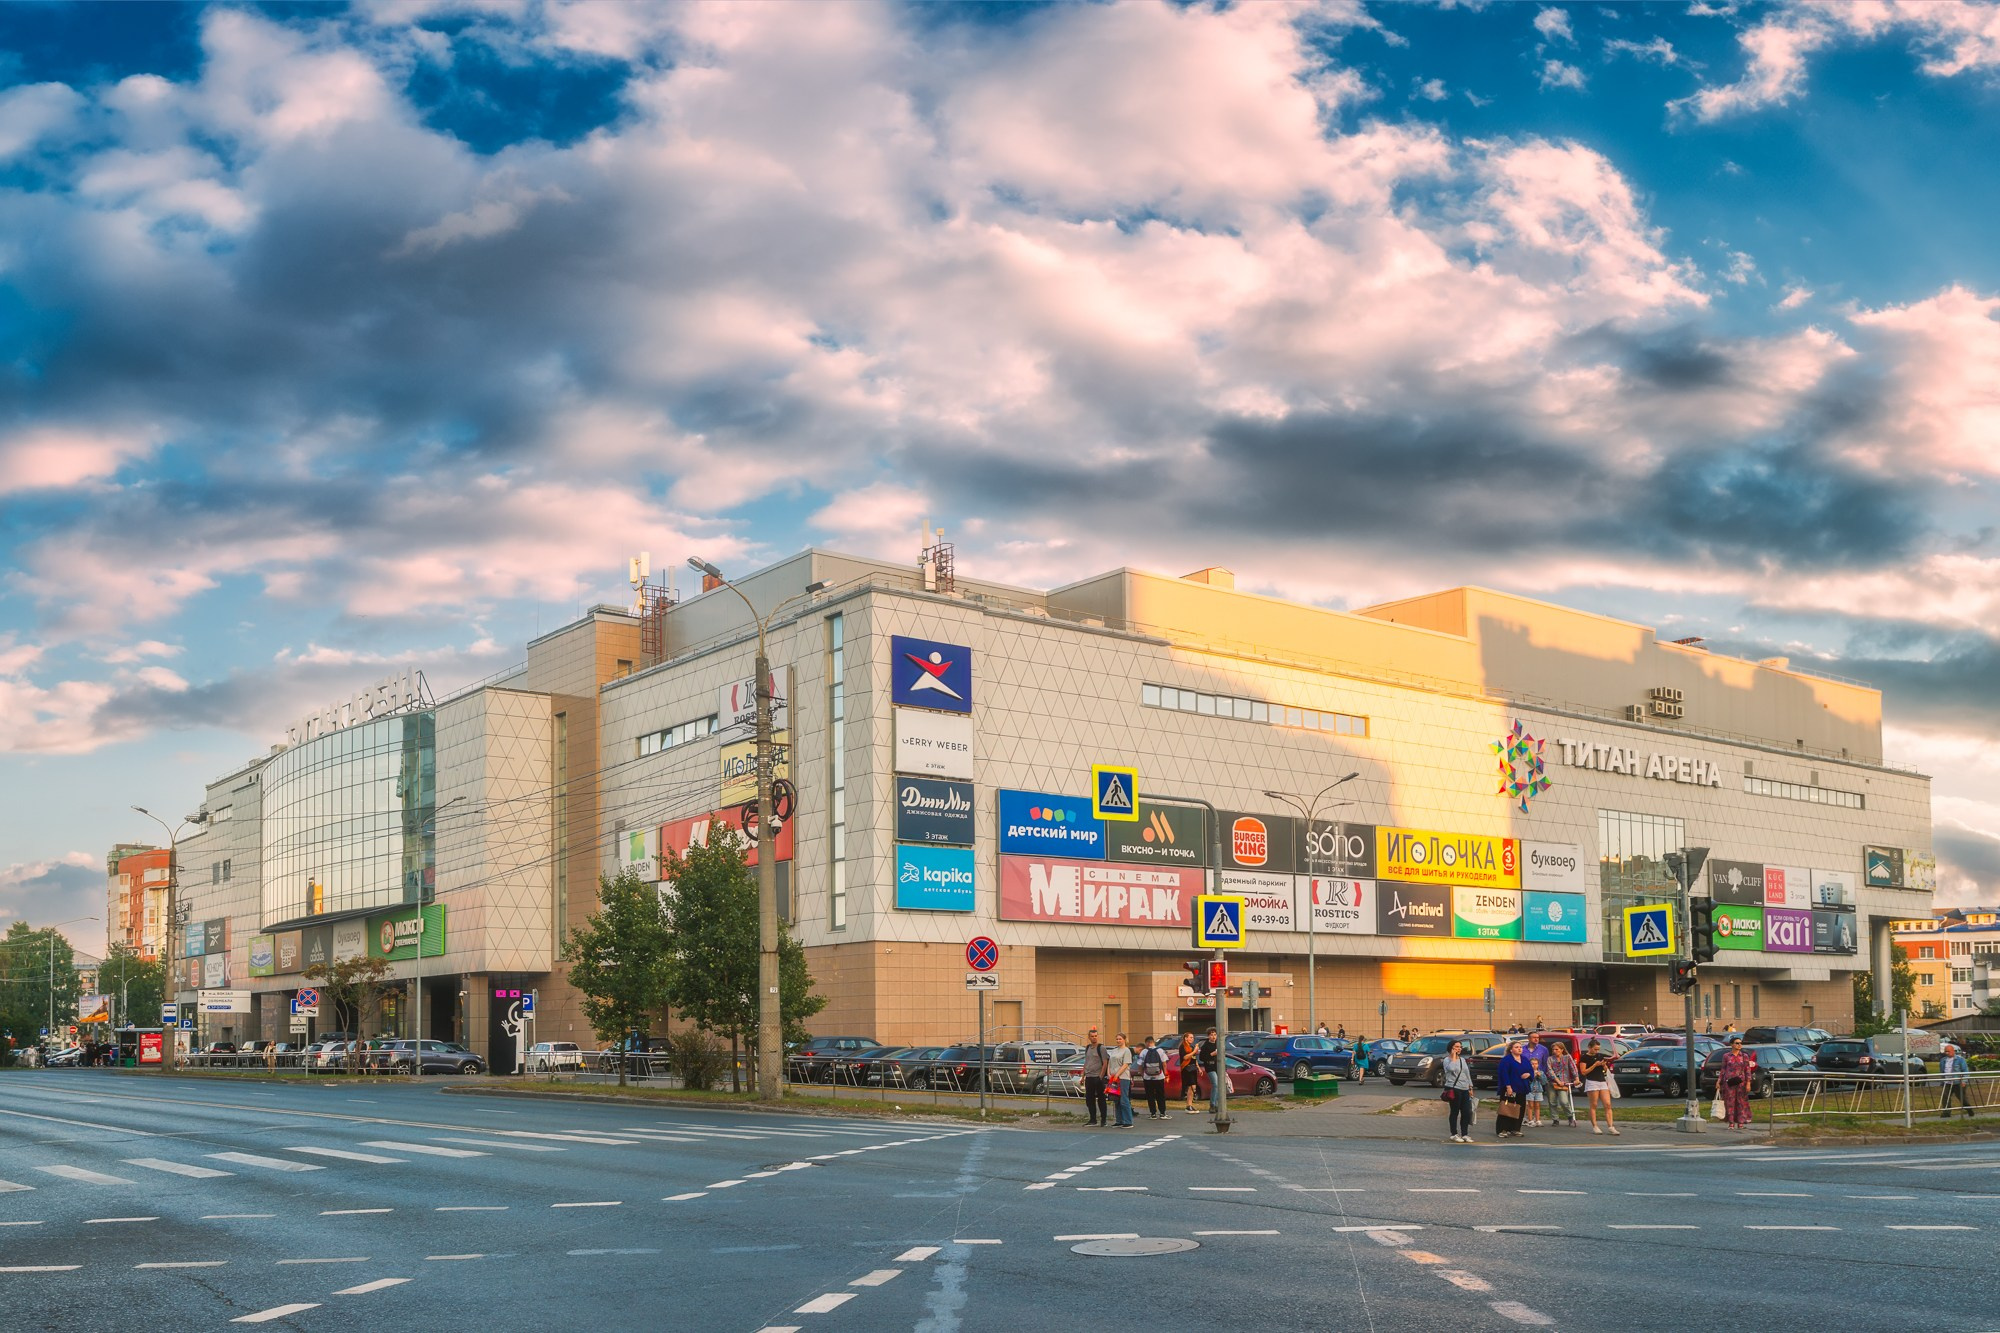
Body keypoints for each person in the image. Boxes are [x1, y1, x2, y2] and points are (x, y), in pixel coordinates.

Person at [1716, 1036, 1756, 1129]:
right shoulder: (1726, 1056)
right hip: (1729, 1082)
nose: (1739, 1045)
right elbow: (1723, 1069)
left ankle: (1741, 1122)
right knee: (1730, 1102)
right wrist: (1719, 1081)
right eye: (1737, 1043)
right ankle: (1731, 1123)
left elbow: (1747, 1070)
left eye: (1740, 1043)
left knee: (1741, 1102)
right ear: (1732, 1044)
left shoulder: (1744, 1056)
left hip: (1741, 1082)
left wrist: (1748, 1083)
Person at [1495, 1039, 1533, 1138]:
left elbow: (1531, 1070)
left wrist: (1529, 1074)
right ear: (1511, 1050)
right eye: (1516, 1047)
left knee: (1520, 1109)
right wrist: (1508, 1087)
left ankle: (1515, 1128)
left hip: (1522, 1088)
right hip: (1510, 1088)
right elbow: (1504, 1074)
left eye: (1520, 1047)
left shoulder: (1524, 1059)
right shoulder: (1506, 1060)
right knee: (1506, 1108)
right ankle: (1502, 1129)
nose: (1519, 1049)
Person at [1581, 1039, 1618, 1135]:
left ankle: (1611, 1126)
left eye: (1598, 1049)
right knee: (1594, 1104)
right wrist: (1594, 1065)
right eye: (1595, 1049)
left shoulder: (1600, 1056)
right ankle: (1595, 1126)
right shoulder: (1584, 1057)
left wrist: (1604, 1065)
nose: (1597, 1051)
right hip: (1592, 1081)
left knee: (1607, 1104)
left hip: (1602, 1081)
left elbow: (1605, 1070)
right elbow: (1583, 1072)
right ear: (1589, 1047)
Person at [1441, 1039, 1475, 1142]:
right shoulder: (1447, 1060)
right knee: (1455, 1111)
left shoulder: (1462, 1060)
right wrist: (1453, 1057)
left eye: (1460, 1047)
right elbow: (1451, 1069)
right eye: (1456, 1047)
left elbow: (1467, 1073)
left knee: (1466, 1112)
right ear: (1451, 1048)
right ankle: (1454, 1134)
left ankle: (1465, 1134)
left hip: (1465, 1088)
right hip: (1454, 1088)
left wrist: (1470, 1086)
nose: (1459, 1049)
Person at [1545, 1040, 1580, 1127]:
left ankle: (1570, 1116)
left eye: (1557, 1049)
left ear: (1562, 1050)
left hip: (1564, 1082)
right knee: (1552, 1102)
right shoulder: (1550, 1059)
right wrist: (1557, 1081)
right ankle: (1555, 1119)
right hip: (1552, 1082)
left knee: (1564, 1101)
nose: (1554, 1051)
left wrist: (1576, 1078)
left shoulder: (1567, 1057)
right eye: (1553, 1049)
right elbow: (1550, 1071)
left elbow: (1573, 1068)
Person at [1106, 1032, 1135, 1128]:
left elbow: (1125, 1064)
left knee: (1123, 1099)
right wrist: (1109, 1073)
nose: (1118, 1041)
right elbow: (1110, 1063)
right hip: (1113, 1078)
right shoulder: (1114, 1050)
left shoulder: (1126, 1051)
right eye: (1117, 1039)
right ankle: (1119, 1120)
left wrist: (1117, 1074)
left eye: (1120, 1039)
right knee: (1116, 1100)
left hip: (1123, 1078)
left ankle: (1128, 1121)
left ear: (1124, 1040)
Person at [1081, 1028, 1108, 1126]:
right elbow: (1086, 1062)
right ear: (1089, 1037)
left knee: (1101, 1099)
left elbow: (1105, 1063)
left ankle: (1103, 1120)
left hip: (1097, 1076)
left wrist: (1101, 1076)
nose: (1094, 1038)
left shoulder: (1101, 1048)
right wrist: (1083, 1076)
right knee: (1089, 1099)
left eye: (1096, 1036)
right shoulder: (1088, 1048)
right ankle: (1093, 1119)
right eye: (1092, 1036)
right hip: (1089, 1076)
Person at [1940, 1044, 1974, 1119]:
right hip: (1947, 1082)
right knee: (1945, 1096)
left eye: (1948, 1051)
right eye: (1945, 1051)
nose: (1947, 1053)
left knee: (1961, 1097)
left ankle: (1969, 1109)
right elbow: (1942, 1071)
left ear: (1953, 1051)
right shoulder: (1943, 1060)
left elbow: (1965, 1071)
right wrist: (1942, 1080)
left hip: (1957, 1082)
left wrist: (1964, 1081)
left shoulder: (1960, 1060)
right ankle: (1946, 1112)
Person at [1523, 1033, 1550, 1127]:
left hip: (1538, 1081)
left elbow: (1545, 1063)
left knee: (1537, 1104)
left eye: (1537, 1038)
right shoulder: (1522, 1049)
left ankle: (1537, 1119)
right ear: (1529, 1038)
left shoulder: (1543, 1049)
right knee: (1527, 1103)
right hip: (1525, 1078)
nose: (1536, 1039)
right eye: (1534, 1037)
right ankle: (1527, 1118)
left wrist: (1542, 1074)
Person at [1139, 1036, 1169, 1119]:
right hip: (1159, 1077)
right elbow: (1164, 1064)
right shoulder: (1160, 1050)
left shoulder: (1144, 1052)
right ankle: (1162, 1113)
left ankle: (1153, 1113)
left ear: (1146, 1043)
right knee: (1160, 1095)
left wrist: (1142, 1074)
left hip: (1147, 1077)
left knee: (1150, 1095)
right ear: (1153, 1042)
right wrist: (1165, 1074)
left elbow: (1140, 1065)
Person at [1177, 1031, 1201, 1113]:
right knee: (1191, 1086)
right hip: (1186, 1068)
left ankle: (1190, 1105)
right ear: (1186, 1038)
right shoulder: (1183, 1047)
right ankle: (1188, 1105)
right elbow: (1185, 1057)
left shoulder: (1191, 1046)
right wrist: (1194, 1051)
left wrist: (1198, 1067)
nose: (1192, 1039)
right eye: (1190, 1037)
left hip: (1193, 1067)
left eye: (1193, 1037)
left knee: (1193, 1086)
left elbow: (1194, 1058)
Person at [1199, 1028, 1221, 1114]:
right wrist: (1211, 1054)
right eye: (1211, 1035)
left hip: (1218, 1066)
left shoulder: (1218, 1044)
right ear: (1208, 1036)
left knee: (1219, 1086)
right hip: (1210, 1067)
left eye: (1215, 1035)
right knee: (1215, 1084)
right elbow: (1201, 1058)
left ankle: (1217, 1105)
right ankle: (1212, 1104)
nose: (1213, 1037)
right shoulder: (1205, 1045)